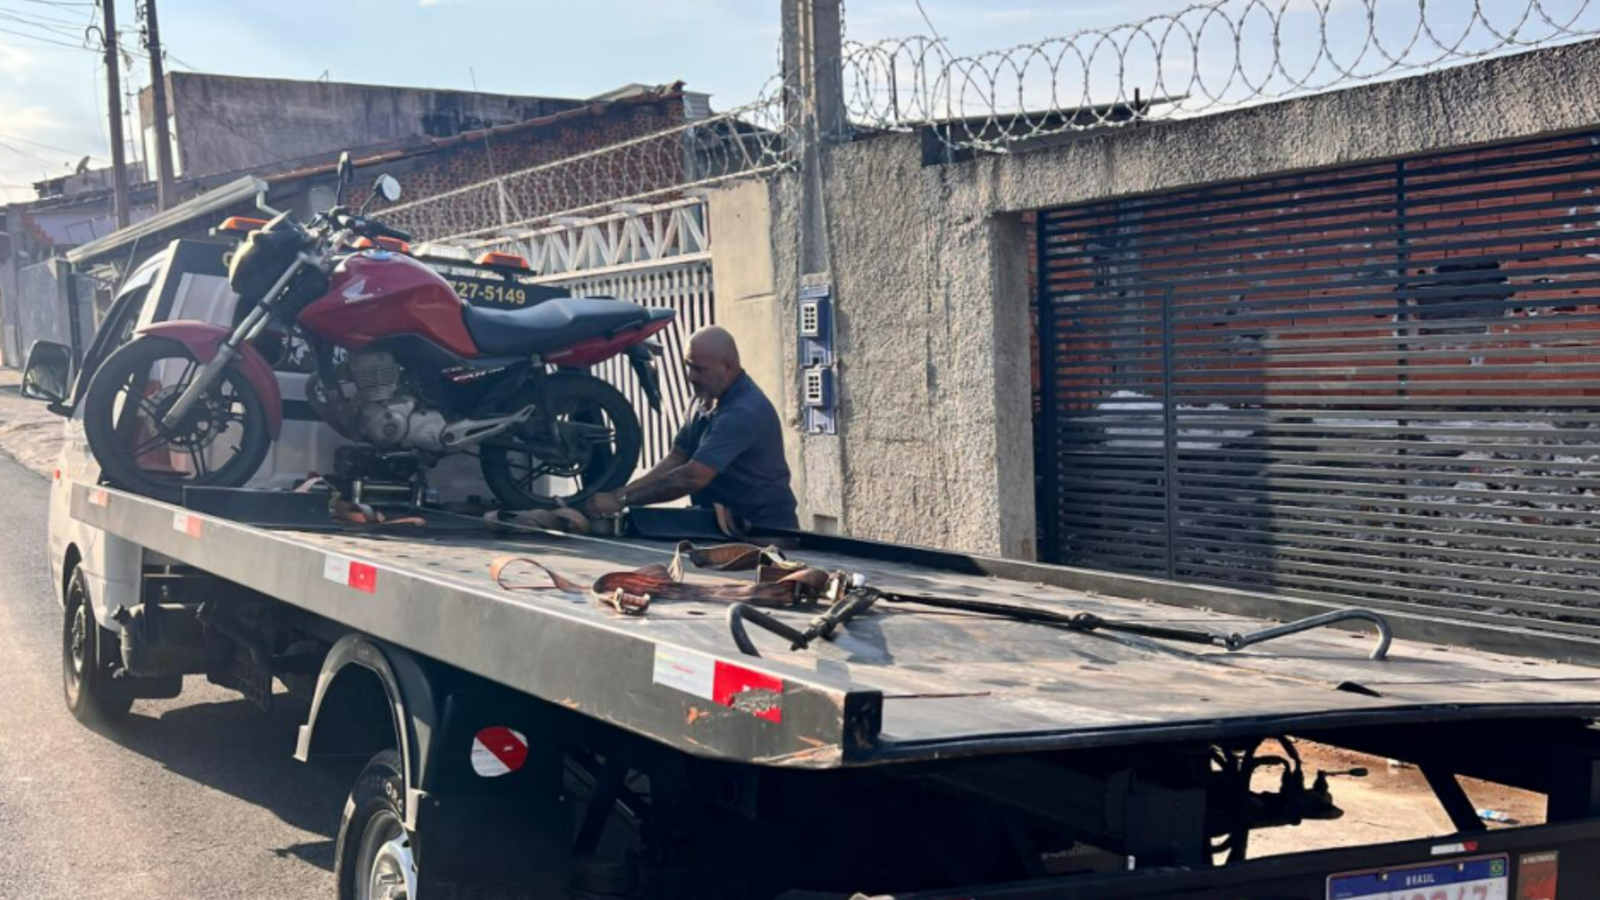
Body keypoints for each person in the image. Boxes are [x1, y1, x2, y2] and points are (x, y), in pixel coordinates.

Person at [583, 326, 799, 530]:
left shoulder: (744, 411)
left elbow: (693, 476)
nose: (690, 377)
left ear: (728, 366)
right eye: (688, 366)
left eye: (699, 369)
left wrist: (622, 500)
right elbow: (677, 458)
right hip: (720, 525)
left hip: (764, 532)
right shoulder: (702, 400)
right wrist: (620, 494)